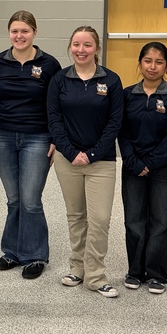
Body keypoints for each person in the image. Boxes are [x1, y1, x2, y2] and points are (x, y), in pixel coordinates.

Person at [46, 26, 124, 298]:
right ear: (70, 47)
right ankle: (77, 268)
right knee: (76, 216)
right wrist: (70, 152)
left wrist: (91, 154)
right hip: (67, 160)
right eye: (76, 44)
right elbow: (54, 120)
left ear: (97, 48)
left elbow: (115, 123)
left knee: (99, 219)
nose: (81, 50)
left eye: (87, 45)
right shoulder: (59, 80)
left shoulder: (111, 80)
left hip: (101, 161)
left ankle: (96, 276)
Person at [0, 10, 62, 280]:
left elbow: (57, 106)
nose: (19, 36)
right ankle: (12, 251)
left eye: (25, 31)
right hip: (3, 137)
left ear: (35, 32)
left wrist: (55, 139)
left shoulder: (49, 64)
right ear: (9, 33)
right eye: (14, 31)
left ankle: (35, 255)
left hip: (37, 138)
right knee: (14, 199)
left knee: (30, 201)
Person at [118, 42, 167, 295]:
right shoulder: (127, 95)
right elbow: (122, 132)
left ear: (166, 66)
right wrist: (134, 161)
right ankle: (135, 271)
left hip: (165, 169)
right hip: (133, 167)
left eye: (159, 62)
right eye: (148, 61)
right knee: (134, 221)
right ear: (140, 63)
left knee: (162, 221)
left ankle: (156, 273)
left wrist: (151, 163)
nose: (153, 66)